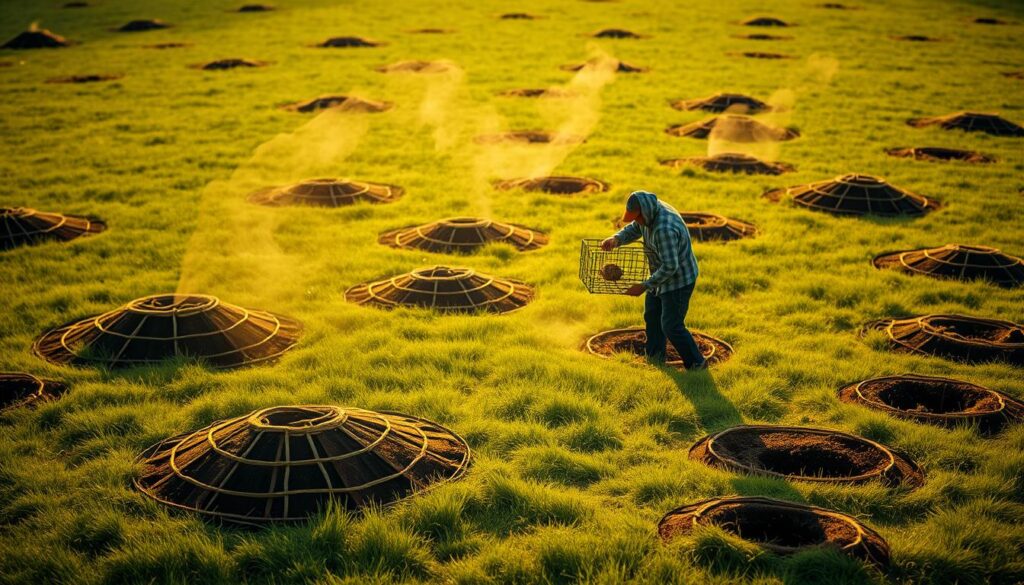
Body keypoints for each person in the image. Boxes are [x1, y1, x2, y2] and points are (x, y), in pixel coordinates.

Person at [601, 190, 706, 369]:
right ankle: (655, 358)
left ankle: (697, 363)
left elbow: (670, 267)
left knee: (671, 325)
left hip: (678, 281)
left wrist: (643, 286)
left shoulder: (663, 229)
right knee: (652, 316)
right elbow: (636, 228)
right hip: (658, 274)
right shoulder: (648, 214)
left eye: (638, 218)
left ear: (645, 212)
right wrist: (616, 239)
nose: (637, 221)